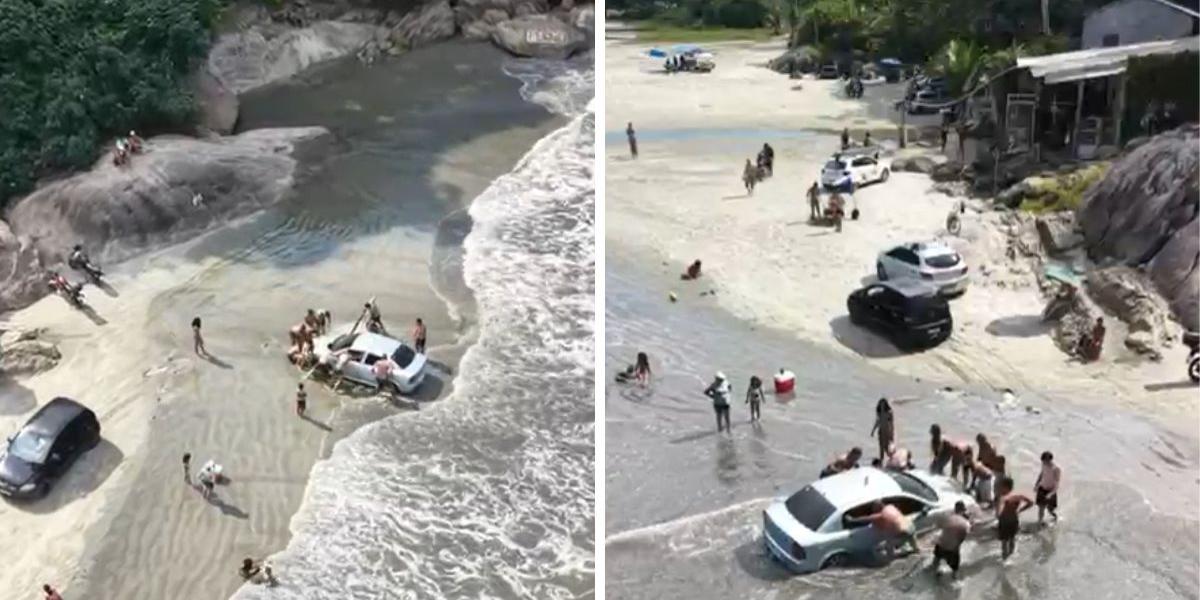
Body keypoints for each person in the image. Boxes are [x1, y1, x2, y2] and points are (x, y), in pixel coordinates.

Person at [845, 500, 920, 557]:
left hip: (903, 533)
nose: (873, 511)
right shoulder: (891, 507)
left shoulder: (881, 515)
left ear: (878, 509)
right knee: (915, 547)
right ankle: (915, 550)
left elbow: (866, 518)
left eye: (874, 509)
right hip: (911, 527)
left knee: (888, 547)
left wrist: (852, 520)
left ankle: (892, 558)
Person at [995, 476, 1034, 561]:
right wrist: (1020, 510)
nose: (998, 488)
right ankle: (1011, 555)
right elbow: (1031, 503)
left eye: (1000, 486)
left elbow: (998, 513)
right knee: (1012, 539)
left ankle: (1005, 558)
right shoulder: (1018, 496)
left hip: (1004, 521)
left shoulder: (1003, 498)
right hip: (1014, 520)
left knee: (1004, 542)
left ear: (1005, 487)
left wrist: (998, 514)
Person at [930, 501, 971, 580]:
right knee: (955, 570)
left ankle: (935, 576)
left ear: (955, 509)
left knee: (936, 562)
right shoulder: (966, 524)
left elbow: (939, 528)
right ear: (964, 510)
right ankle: (955, 582)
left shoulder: (947, 517)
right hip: (952, 549)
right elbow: (962, 538)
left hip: (941, 545)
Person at [1034, 451, 1061, 525]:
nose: (1043, 462)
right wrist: (1036, 484)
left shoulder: (1056, 469)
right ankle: (1039, 522)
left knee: (1050, 510)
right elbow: (1041, 474)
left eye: (1045, 460)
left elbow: (1057, 484)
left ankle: (1055, 517)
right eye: (1042, 461)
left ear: (1049, 459)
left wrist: (1051, 494)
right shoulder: (1043, 465)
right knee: (1041, 507)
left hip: (1051, 490)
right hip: (1042, 488)